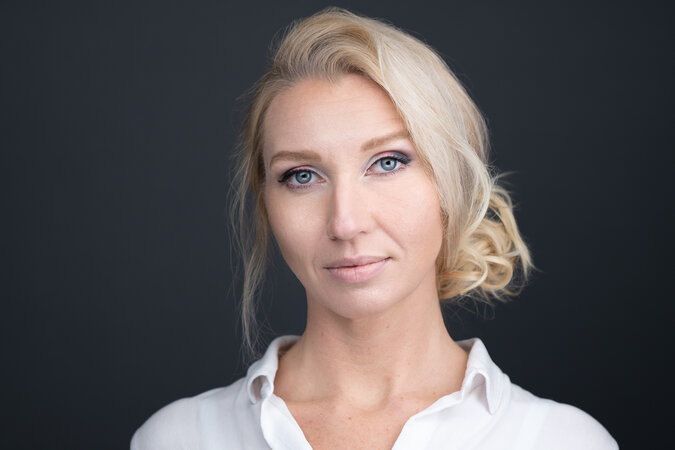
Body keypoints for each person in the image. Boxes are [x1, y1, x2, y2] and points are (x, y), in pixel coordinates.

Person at [131, 7, 618, 449]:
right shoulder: (178, 439)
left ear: (453, 182)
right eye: (302, 176)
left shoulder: (564, 442)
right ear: (267, 204)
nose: (346, 223)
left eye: (388, 162)